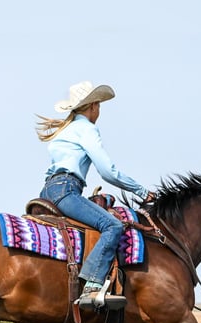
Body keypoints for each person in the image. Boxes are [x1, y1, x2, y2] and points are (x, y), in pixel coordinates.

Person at [36, 81, 154, 310]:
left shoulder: (66, 129)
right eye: (99, 106)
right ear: (92, 106)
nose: (99, 111)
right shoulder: (87, 129)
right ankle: (91, 287)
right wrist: (141, 191)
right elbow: (107, 171)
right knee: (112, 226)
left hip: (49, 190)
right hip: (66, 189)